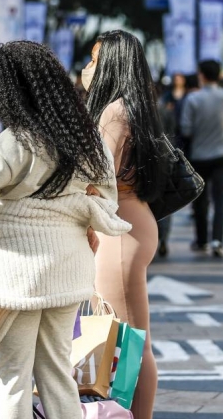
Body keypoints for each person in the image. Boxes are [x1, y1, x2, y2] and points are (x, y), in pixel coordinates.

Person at [0, 41, 130, 419]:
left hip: (18, 274)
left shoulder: (18, 140)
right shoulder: (87, 139)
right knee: (58, 373)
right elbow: (108, 200)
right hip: (68, 268)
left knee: (9, 374)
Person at [84, 30, 165, 419]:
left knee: (130, 340)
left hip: (119, 231)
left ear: (111, 64)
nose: (88, 68)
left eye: (95, 60)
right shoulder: (134, 106)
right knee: (130, 338)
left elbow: (98, 177)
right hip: (132, 223)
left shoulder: (114, 111)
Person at [180, 60, 223, 257]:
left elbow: (186, 129)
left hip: (200, 155)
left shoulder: (193, 99)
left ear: (201, 75)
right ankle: (218, 240)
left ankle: (202, 240)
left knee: (201, 199)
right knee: (220, 199)